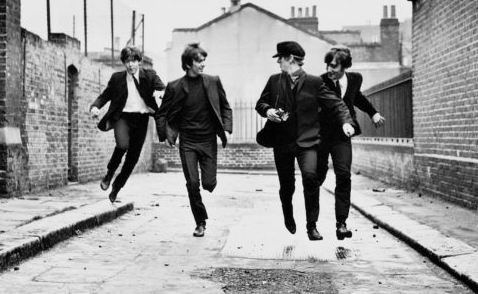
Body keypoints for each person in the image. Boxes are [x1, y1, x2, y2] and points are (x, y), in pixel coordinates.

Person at [255, 41, 354, 241]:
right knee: (287, 185)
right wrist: (269, 111)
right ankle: (288, 214)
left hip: (307, 142)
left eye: (280, 58)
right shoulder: (274, 81)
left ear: (290, 59)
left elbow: (337, 104)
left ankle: (312, 226)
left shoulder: (314, 82)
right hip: (282, 142)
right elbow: (260, 103)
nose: (278, 63)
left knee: (310, 178)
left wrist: (346, 122)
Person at [155, 43, 232, 237]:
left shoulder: (213, 81)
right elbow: (161, 114)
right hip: (187, 142)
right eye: (199, 61)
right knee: (192, 183)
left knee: (209, 184)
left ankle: (209, 185)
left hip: (208, 141)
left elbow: (225, 107)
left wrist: (227, 128)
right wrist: (165, 135)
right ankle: (200, 222)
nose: (203, 64)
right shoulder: (175, 86)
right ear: (188, 64)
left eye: (204, 60)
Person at [318, 46, 385, 240]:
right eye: (328, 65)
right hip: (322, 136)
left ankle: (341, 223)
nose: (329, 70)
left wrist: (373, 113)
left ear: (344, 66)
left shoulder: (355, 79)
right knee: (317, 177)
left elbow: (357, 98)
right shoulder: (320, 82)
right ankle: (311, 218)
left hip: (342, 136)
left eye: (333, 66)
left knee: (344, 175)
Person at [90, 46, 165, 203]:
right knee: (122, 145)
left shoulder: (150, 75)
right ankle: (110, 173)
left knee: (133, 158)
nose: (130, 65)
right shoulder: (117, 78)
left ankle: (117, 186)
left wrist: (160, 93)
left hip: (142, 119)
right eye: (127, 62)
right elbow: (105, 95)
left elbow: (162, 89)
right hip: (122, 118)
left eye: (133, 61)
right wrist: (96, 106)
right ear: (123, 63)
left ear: (139, 61)